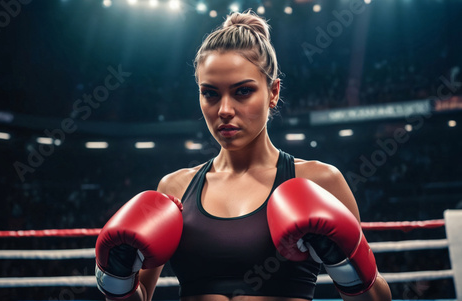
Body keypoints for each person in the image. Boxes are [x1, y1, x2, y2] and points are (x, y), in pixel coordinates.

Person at [95, 10, 392, 301]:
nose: (224, 109)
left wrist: (343, 266)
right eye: (210, 93)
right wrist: (118, 279)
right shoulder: (174, 188)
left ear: (273, 92)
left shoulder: (320, 180)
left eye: (242, 91)